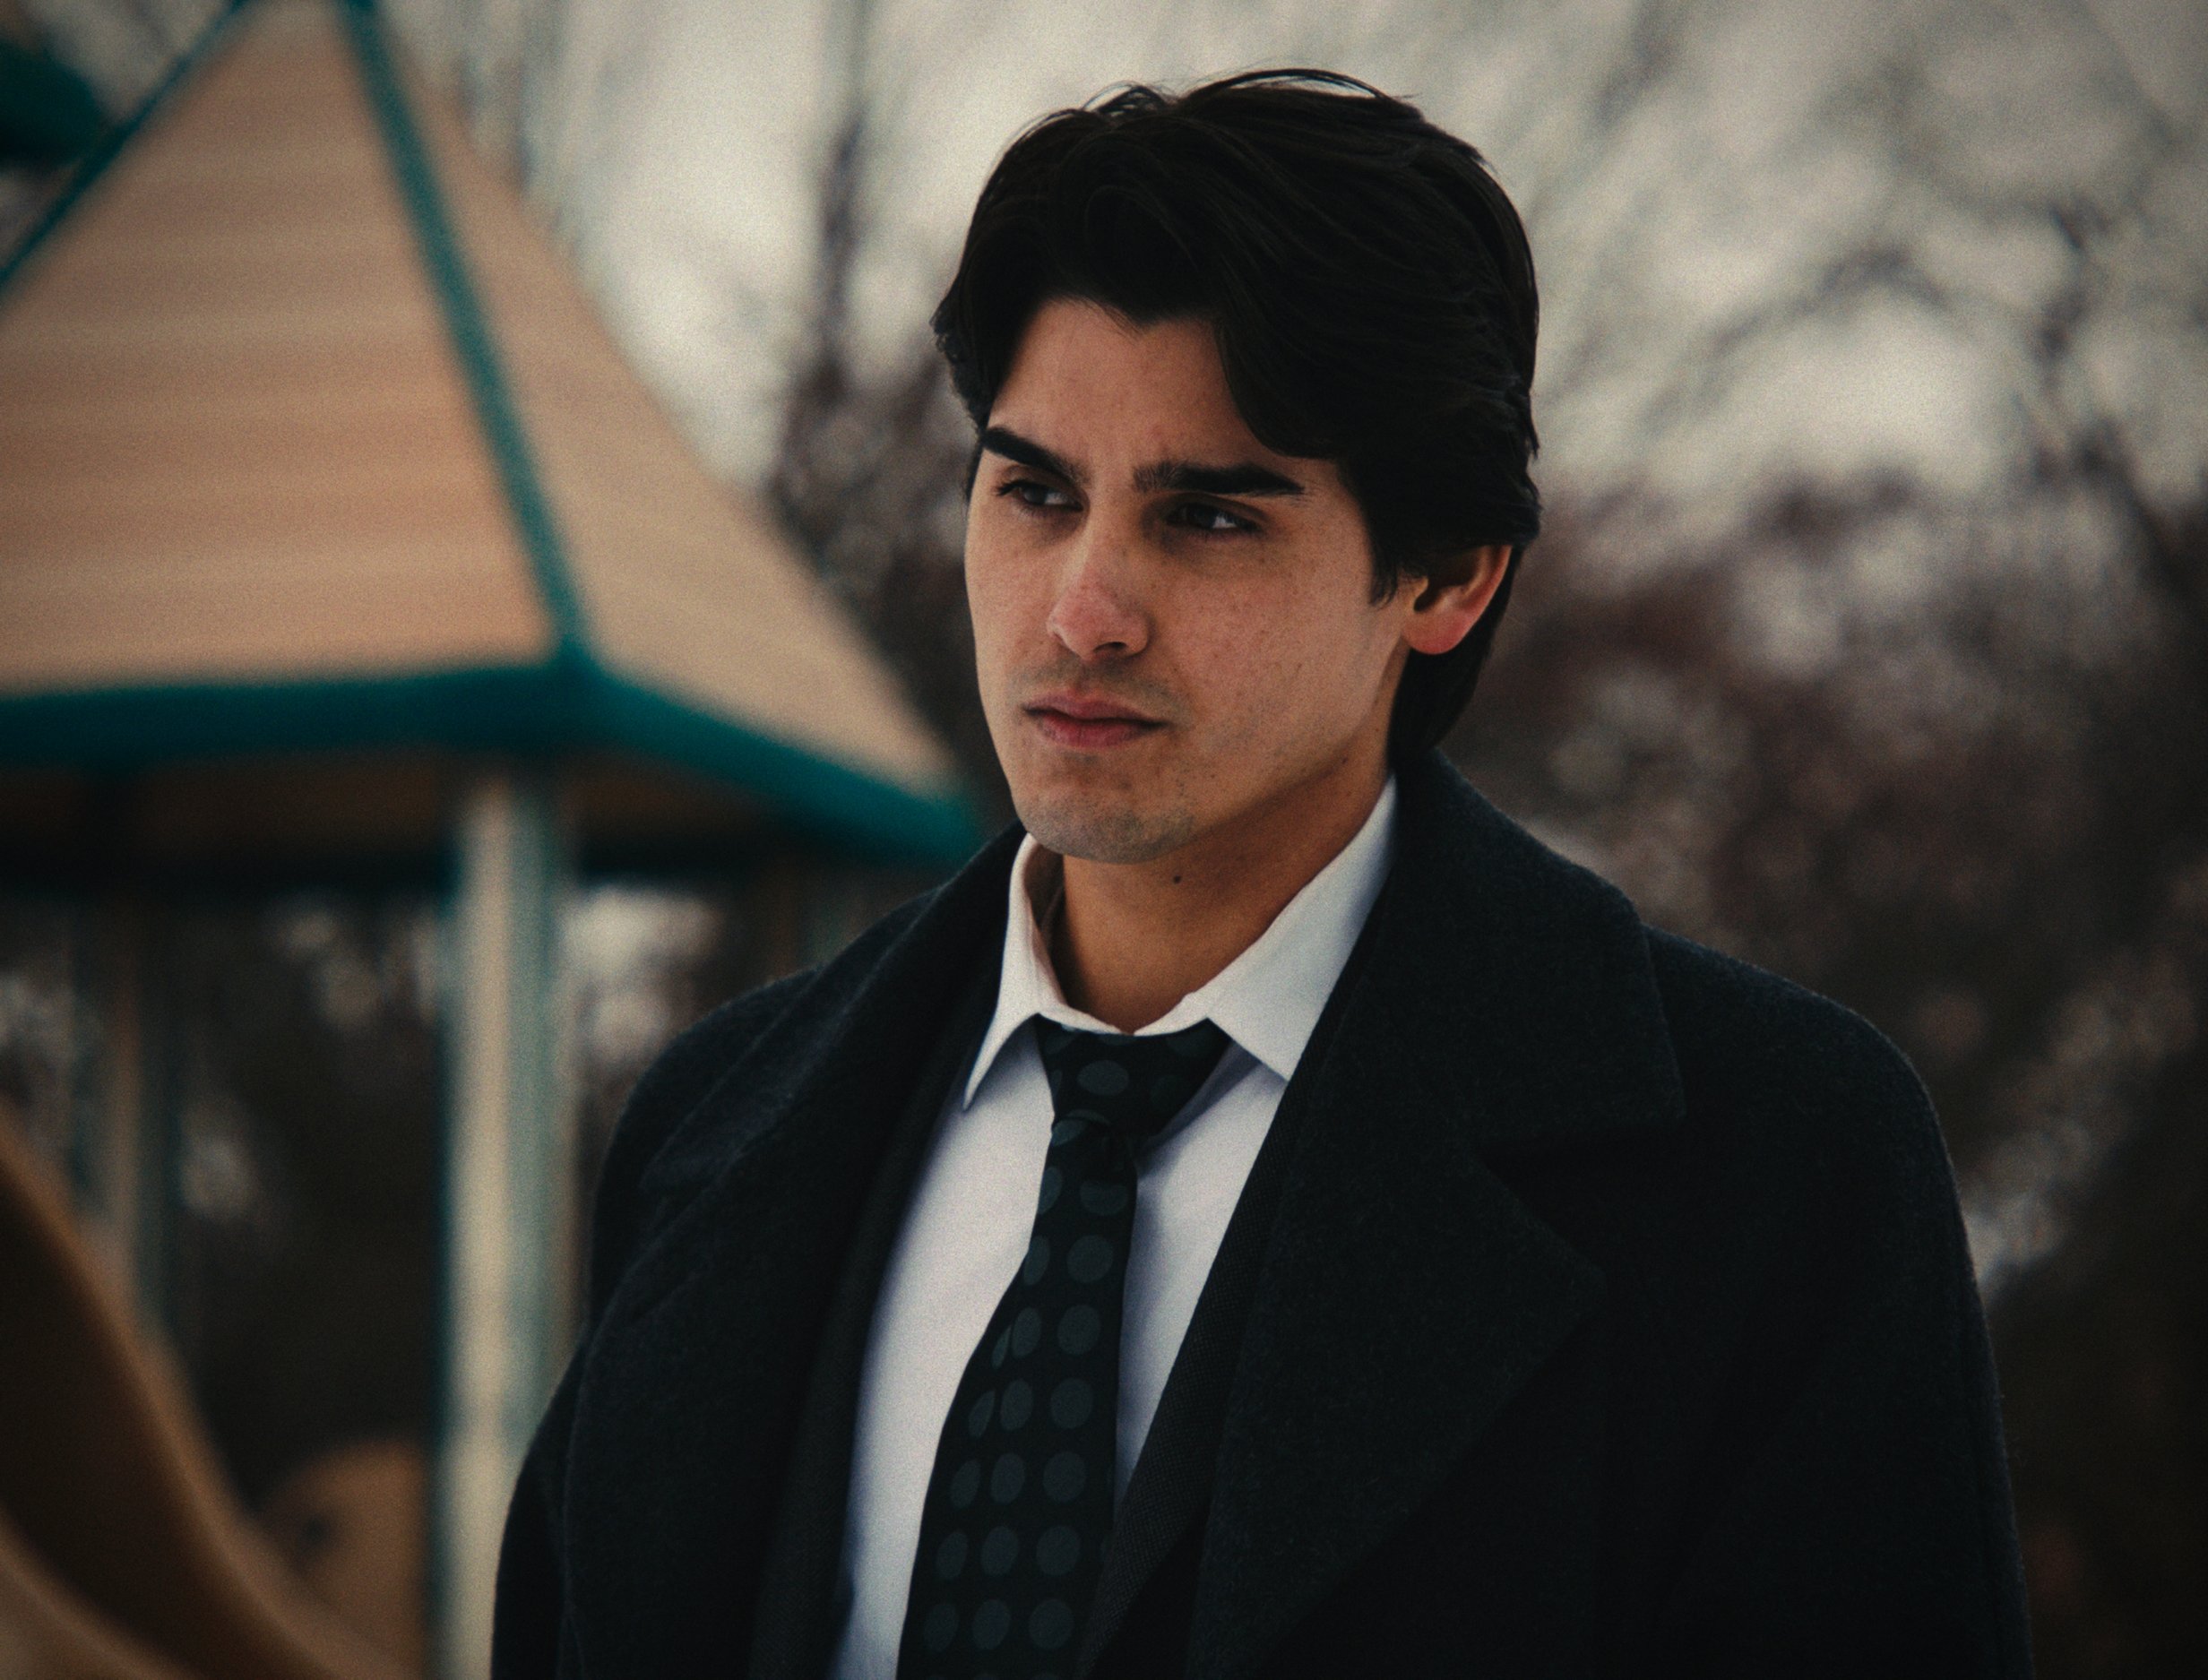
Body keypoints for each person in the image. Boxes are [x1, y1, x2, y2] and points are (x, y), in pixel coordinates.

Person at [492, 71, 2031, 1680]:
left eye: (1208, 516)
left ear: (1444, 576)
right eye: (1034, 491)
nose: (1082, 608)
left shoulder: (1774, 1169)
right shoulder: (715, 1127)